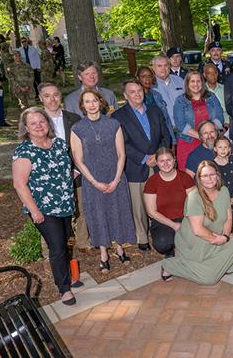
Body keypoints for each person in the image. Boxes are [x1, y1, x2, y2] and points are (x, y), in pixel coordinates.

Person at [12, 107, 81, 305]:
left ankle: (68, 276)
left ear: (48, 123)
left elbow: (64, 170)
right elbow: (19, 184)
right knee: (57, 247)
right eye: (33, 123)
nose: (39, 126)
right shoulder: (24, 151)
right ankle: (64, 288)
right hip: (43, 209)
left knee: (66, 242)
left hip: (65, 205)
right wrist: (34, 211)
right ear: (26, 128)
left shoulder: (59, 144)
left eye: (42, 121)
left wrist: (74, 175)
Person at [70, 90, 136, 272]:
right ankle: (103, 254)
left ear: (100, 103)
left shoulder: (114, 124)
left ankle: (120, 249)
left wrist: (116, 179)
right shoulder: (77, 128)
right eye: (87, 101)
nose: (91, 104)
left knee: (117, 212)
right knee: (98, 215)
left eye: (94, 101)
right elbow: (78, 160)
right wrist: (94, 182)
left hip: (115, 176)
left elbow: (121, 154)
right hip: (93, 181)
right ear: (82, 105)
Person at [161, 160, 233, 284]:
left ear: (217, 175)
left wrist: (225, 236)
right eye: (205, 176)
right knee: (209, 278)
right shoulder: (194, 197)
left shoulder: (224, 191)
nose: (209, 178)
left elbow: (228, 218)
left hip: (216, 237)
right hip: (196, 243)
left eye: (212, 174)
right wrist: (217, 239)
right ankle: (169, 264)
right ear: (199, 179)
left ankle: (208, 266)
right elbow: (198, 230)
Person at [112, 79, 172, 251]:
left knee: (159, 201)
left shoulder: (154, 110)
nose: (137, 94)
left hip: (158, 164)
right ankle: (142, 237)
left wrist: (159, 155)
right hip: (135, 166)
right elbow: (122, 144)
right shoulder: (118, 116)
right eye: (132, 91)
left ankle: (161, 232)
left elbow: (165, 135)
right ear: (125, 95)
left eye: (139, 90)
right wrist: (145, 158)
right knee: (138, 206)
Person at [38, 82, 90, 253]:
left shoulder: (73, 119)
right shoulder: (36, 122)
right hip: (49, 179)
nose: (52, 99)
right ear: (41, 99)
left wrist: (76, 170)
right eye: (47, 96)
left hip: (76, 173)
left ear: (61, 96)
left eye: (55, 95)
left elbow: (84, 147)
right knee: (51, 215)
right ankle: (50, 250)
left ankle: (83, 242)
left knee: (82, 209)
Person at [143, 148, 196, 256]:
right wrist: (174, 225)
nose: (166, 163)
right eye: (162, 161)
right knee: (163, 244)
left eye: (169, 160)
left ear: (174, 160)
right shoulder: (152, 182)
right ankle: (170, 253)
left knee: (194, 238)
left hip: (185, 217)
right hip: (162, 220)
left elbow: (194, 203)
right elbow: (151, 212)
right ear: (157, 163)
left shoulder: (185, 178)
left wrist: (187, 223)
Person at [173, 71, 224, 170]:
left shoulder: (211, 97)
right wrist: (201, 137)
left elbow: (219, 118)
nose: (196, 84)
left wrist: (209, 135)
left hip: (210, 142)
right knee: (188, 176)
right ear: (187, 84)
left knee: (211, 172)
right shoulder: (180, 100)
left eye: (198, 81)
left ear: (202, 82)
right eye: (192, 81)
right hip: (188, 142)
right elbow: (180, 124)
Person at [213, 135, 233, 233]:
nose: (223, 150)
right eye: (220, 147)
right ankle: (224, 237)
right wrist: (225, 199)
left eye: (225, 147)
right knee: (224, 220)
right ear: (215, 149)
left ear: (229, 149)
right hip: (221, 197)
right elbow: (214, 185)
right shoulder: (213, 165)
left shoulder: (232, 160)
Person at [137, 66, 175, 141]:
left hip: (162, 137)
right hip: (144, 139)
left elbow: (166, 119)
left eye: (150, 76)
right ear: (138, 78)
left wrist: (172, 139)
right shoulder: (134, 98)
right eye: (143, 76)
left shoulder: (157, 95)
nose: (147, 79)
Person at [151, 55, 185, 128]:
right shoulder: (150, 86)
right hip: (165, 129)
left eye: (166, 65)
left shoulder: (179, 81)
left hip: (185, 126)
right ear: (153, 68)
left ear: (169, 67)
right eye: (159, 66)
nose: (163, 68)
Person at [202, 63, 229, 130]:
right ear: (204, 75)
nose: (213, 75)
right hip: (208, 128)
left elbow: (230, 109)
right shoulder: (201, 92)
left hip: (227, 126)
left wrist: (226, 126)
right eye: (209, 73)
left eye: (215, 72)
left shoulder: (225, 89)